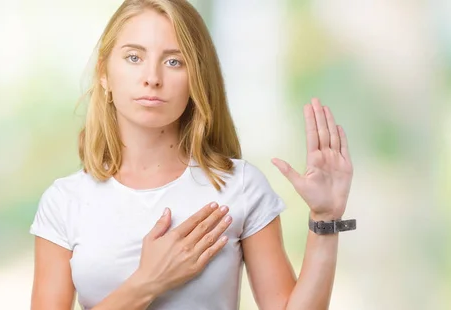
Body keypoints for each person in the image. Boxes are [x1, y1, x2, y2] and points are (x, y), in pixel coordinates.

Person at [29, 0, 355, 309]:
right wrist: (147, 282)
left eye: (174, 61)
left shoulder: (239, 186)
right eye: (133, 57)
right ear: (104, 73)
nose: (152, 78)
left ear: (195, 77)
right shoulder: (64, 202)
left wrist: (325, 218)